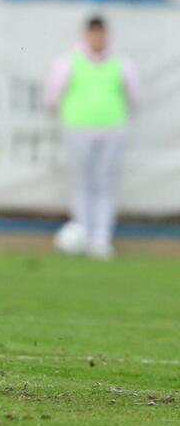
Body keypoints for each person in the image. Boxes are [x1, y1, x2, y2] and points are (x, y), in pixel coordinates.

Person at [45, 16, 138, 259]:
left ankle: (101, 239)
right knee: (81, 182)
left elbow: (134, 96)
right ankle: (81, 235)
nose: (97, 39)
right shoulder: (68, 61)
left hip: (112, 128)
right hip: (77, 128)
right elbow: (53, 95)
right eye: (93, 34)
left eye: (101, 34)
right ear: (86, 35)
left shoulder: (121, 62)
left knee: (105, 183)